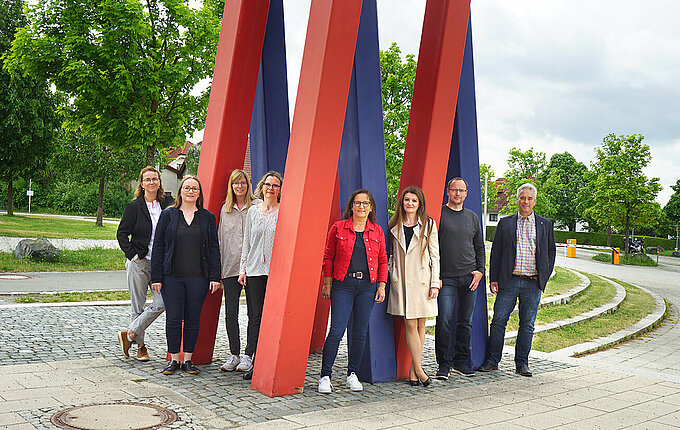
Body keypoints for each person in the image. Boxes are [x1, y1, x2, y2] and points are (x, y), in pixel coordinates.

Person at [478, 183, 556, 377]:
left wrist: (543, 275)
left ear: (534, 201)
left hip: (532, 282)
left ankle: (522, 363)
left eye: (529, 198)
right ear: (517, 200)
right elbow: (496, 252)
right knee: (498, 321)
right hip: (509, 280)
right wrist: (494, 278)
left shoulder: (545, 225)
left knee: (527, 324)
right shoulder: (506, 223)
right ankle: (492, 360)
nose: (525, 202)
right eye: (522, 198)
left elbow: (550, 252)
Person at [318, 189, 388, 394]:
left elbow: (383, 259)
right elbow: (328, 256)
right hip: (343, 285)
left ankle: (352, 374)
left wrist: (382, 285)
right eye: (357, 203)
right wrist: (327, 283)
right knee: (337, 330)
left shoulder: (377, 231)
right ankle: (325, 376)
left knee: (359, 332)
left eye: (365, 204)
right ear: (351, 206)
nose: (361, 207)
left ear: (371, 208)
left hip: (368, 286)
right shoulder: (338, 228)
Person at [150, 176, 222, 375]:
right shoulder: (168, 215)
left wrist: (215, 276)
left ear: (199, 193)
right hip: (171, 277)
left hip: (198, 278)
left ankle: (188, 359)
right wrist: (156, 277)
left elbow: (214, 249)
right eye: (187, 188)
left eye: (195, 189)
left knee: (192, 318)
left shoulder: (207, 217)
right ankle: (173, 359)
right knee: (173, 318)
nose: (191, 191)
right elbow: (158, 247)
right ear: (181, 191)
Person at [116, 166, 173, 361]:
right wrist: (133, 255)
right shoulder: (134, 207)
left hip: (160, 264)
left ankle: (129, 334)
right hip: (139, 262)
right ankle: (141, 347)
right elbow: (122, 233)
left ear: (159, 182)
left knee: (161, 303)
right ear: (142, 183)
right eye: (147, 179)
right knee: (137, 307)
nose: (152, 183)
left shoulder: (168, 204)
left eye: (155, 179)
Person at [387, 186, 439, 387]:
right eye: (407, 200)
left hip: (423, 281)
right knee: (410, 323)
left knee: (420, 324)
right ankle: (419, 370)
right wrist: (392, 274)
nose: (410, 203)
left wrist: (435, 282)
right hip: (402, 281)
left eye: (414, 201)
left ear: (420, 204)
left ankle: (413, 370)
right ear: (402, 202)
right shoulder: (394, 225)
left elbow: (435, 256)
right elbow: (391, 256)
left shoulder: (429, 225)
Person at [434, 177, 485, 379]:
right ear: (448, 191)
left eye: (461, 190)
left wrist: (480, 270)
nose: (457, 194)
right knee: (444, 320)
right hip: (446, 278)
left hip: (469, 278)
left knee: (466, 321)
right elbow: (432, 247)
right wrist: (435, 275)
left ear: (466, 193)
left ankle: (461, 361)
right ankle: (444, 364)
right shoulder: (439, 215)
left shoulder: (472, 217)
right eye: (454, 190)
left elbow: (480, 246)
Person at [238, 171, 283, 379]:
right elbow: (246, 243)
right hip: (255, 271)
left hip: (275, 273)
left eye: (275, 185)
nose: (271, 188)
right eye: (268, 184)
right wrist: (242, 270)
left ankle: (266, 363)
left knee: (271, 318)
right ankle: (252, 358)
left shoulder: (283, 212)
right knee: (254, 317)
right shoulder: (253, 212)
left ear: (280, 190)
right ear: (262, 187)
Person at [217, 169, 261, 372]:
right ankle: (233, 353)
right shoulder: (224, 210)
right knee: (230, 313)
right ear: (231, 186)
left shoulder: (258, 206)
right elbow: (219, 241)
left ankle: (249, 355)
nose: (240, 186)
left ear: (248, 184)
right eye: (236, 183)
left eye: (243, 182)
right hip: (230, 268)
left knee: (254, 313)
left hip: (253, 269)